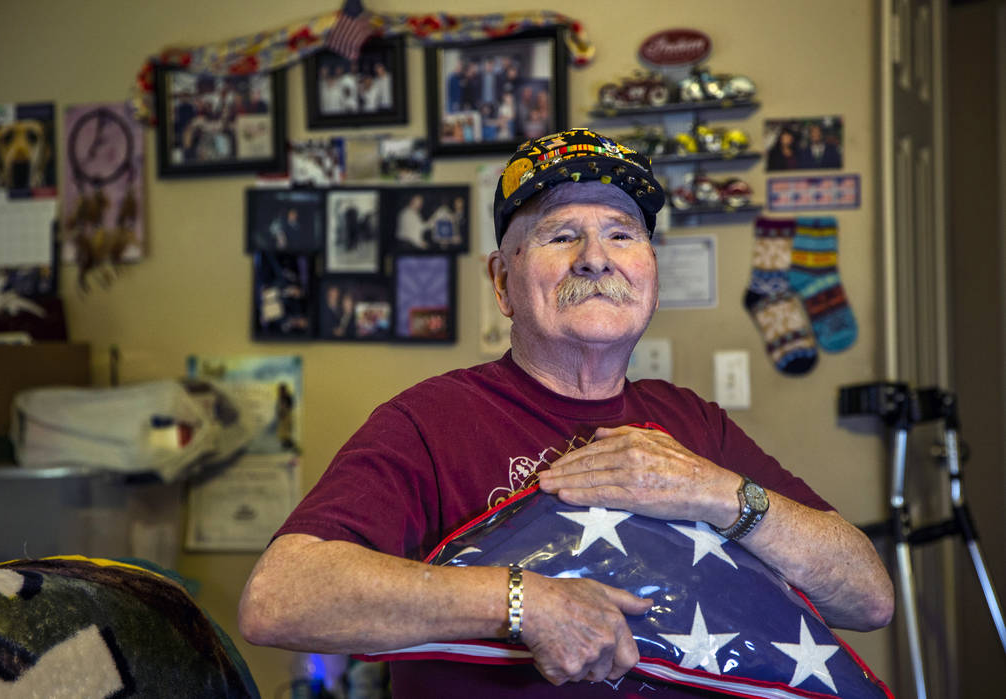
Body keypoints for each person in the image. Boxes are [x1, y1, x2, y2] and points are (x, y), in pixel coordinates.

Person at [239, 129, 894, 697]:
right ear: (502, 281)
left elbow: (868, 597)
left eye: (620, 232)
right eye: (560, 233)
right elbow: (281, 597)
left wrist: (714, 491)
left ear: (650, 271)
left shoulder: (696, 424)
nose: (595, 256)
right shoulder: (430, 420)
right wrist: (522, 600)